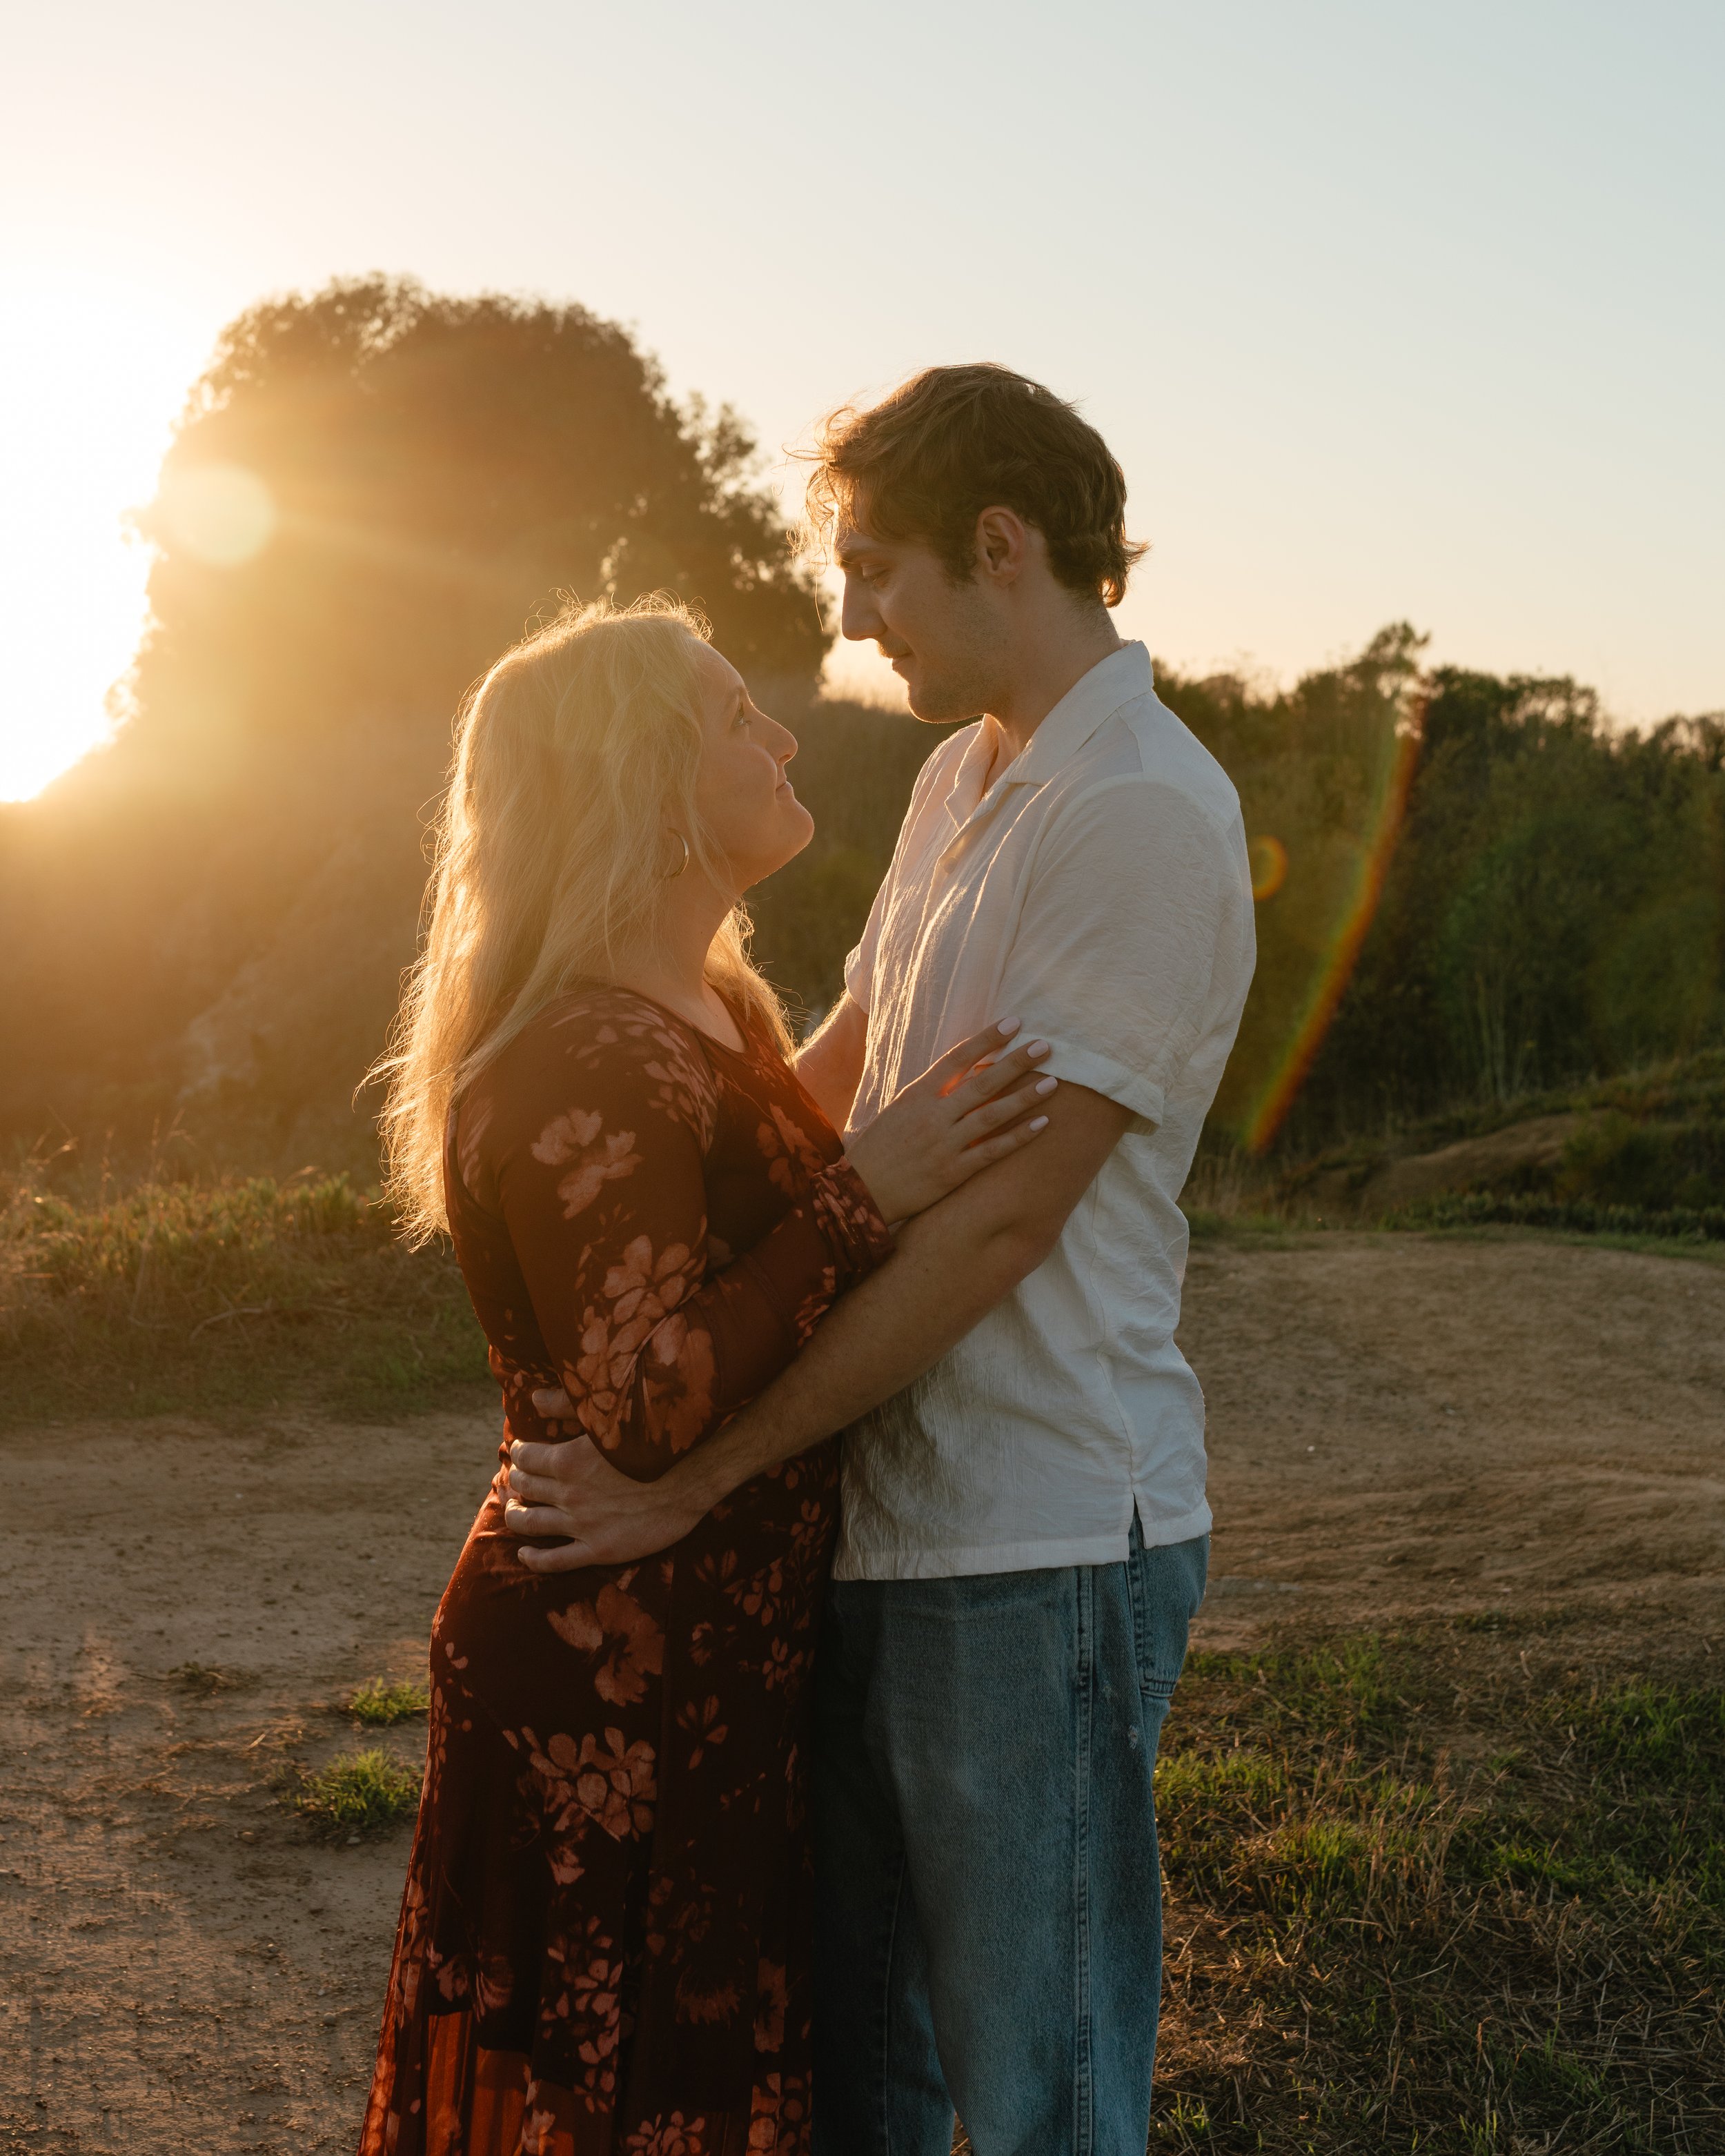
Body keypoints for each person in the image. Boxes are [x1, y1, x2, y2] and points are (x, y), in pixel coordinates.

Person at [502, 366, 1258, 2156]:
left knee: (1042, 2090)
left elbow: (998, 1217)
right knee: (872, 2081)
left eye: (872, 570)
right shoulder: (955, 778)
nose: (842, 619)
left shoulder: (1135, 808)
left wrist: (698, 1469)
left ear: (1001, 545)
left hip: (1038, 1535)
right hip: (882, 1516)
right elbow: (834, 1072)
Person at [359, 594, 1054, 2156]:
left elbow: (751, 1204)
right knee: (604, 2104)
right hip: (601, 1666)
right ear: (647, 779)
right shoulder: (575, 1057)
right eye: (741, 715)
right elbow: (651, 1402)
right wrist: (869, 1187)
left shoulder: (712, 1009)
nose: (784, 733)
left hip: (709, 1654)